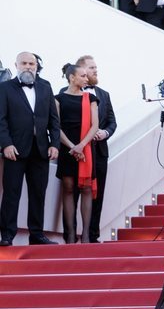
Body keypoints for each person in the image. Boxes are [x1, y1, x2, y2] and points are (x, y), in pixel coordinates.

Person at [0, 52, 60, 246]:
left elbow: (54, 120)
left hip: (41, 149)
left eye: (31, 63)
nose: (28, 66)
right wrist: (6, 144)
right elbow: (1, 120)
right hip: (14, 150)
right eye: (24, 63)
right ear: (16, 65)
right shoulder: (5, 88)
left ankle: (37, 234)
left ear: (36, 66)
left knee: (38, 194)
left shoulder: (45, 87)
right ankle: (7, 235)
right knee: (11, 193)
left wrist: (54, 144)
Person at [54, 63, 99, 244]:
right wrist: (73, 147)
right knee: (68, 188)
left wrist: (81, 146)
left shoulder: (91, 98)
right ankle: (70, 234)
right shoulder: (58, 99)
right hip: (67, 148)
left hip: (85, 147)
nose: (86, 79)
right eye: (82, 76)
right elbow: (56, 126)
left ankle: (86, 235)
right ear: (72, 77)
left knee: (87, 188)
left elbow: (94, 125)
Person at [76, 55, 116, 242]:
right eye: (91, 68)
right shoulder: (67, 92)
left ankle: (93, 235)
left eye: (95, 67)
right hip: (77, 153)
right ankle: (72, 235)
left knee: (97, 195)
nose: (95, 71)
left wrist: (105, 133)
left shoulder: (104, 94)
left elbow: (112, 122)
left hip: (99, 152)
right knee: (75, 193)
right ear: (81, 71)